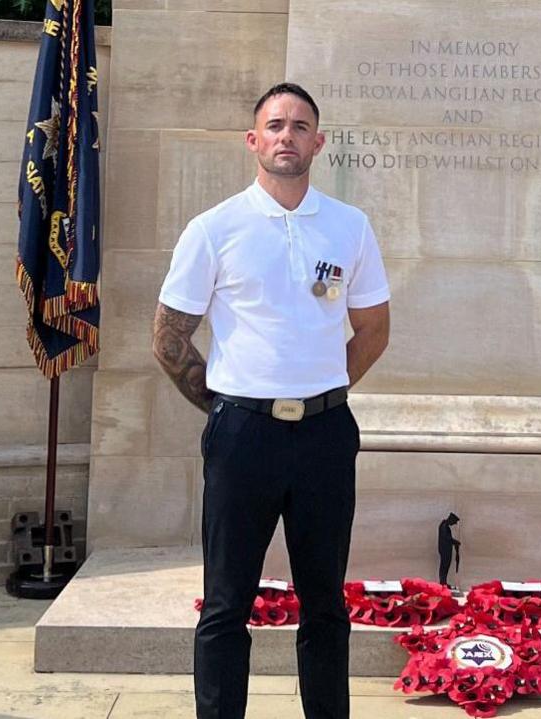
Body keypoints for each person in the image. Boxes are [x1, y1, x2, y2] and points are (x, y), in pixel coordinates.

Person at [152, 82, 390, 719]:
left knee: (325, 605)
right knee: (227, 603)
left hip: (324, 434)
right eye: (275, 125)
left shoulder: (349, 226)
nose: (287, 135)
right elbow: (168, 335)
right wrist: (229, 406)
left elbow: (373, 328)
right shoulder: (214, 229)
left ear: (319, 141)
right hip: (242, 437)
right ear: (254, 141)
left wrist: (317, 385)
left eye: (300, 125)